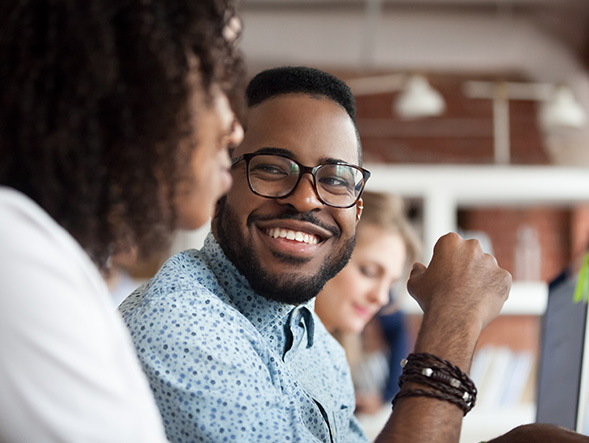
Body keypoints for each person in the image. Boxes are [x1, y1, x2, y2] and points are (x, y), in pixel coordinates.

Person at [120, 66, 588, 443]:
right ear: (224, 184)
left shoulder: (313, 339)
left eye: (335, 179)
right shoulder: (183, 326)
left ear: (356, 209)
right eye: (271, 169)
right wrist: (453, 320)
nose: (306, 199)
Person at [0, 0, 244, 441]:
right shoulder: (14, 252)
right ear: (132, 91)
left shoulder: (47, 254)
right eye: (214, 85)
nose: (234, 126)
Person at [314, 191, 419, 418]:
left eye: (390, 284)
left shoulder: (333, 361)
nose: (381, 299)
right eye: (369, 272)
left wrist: (387, 396)